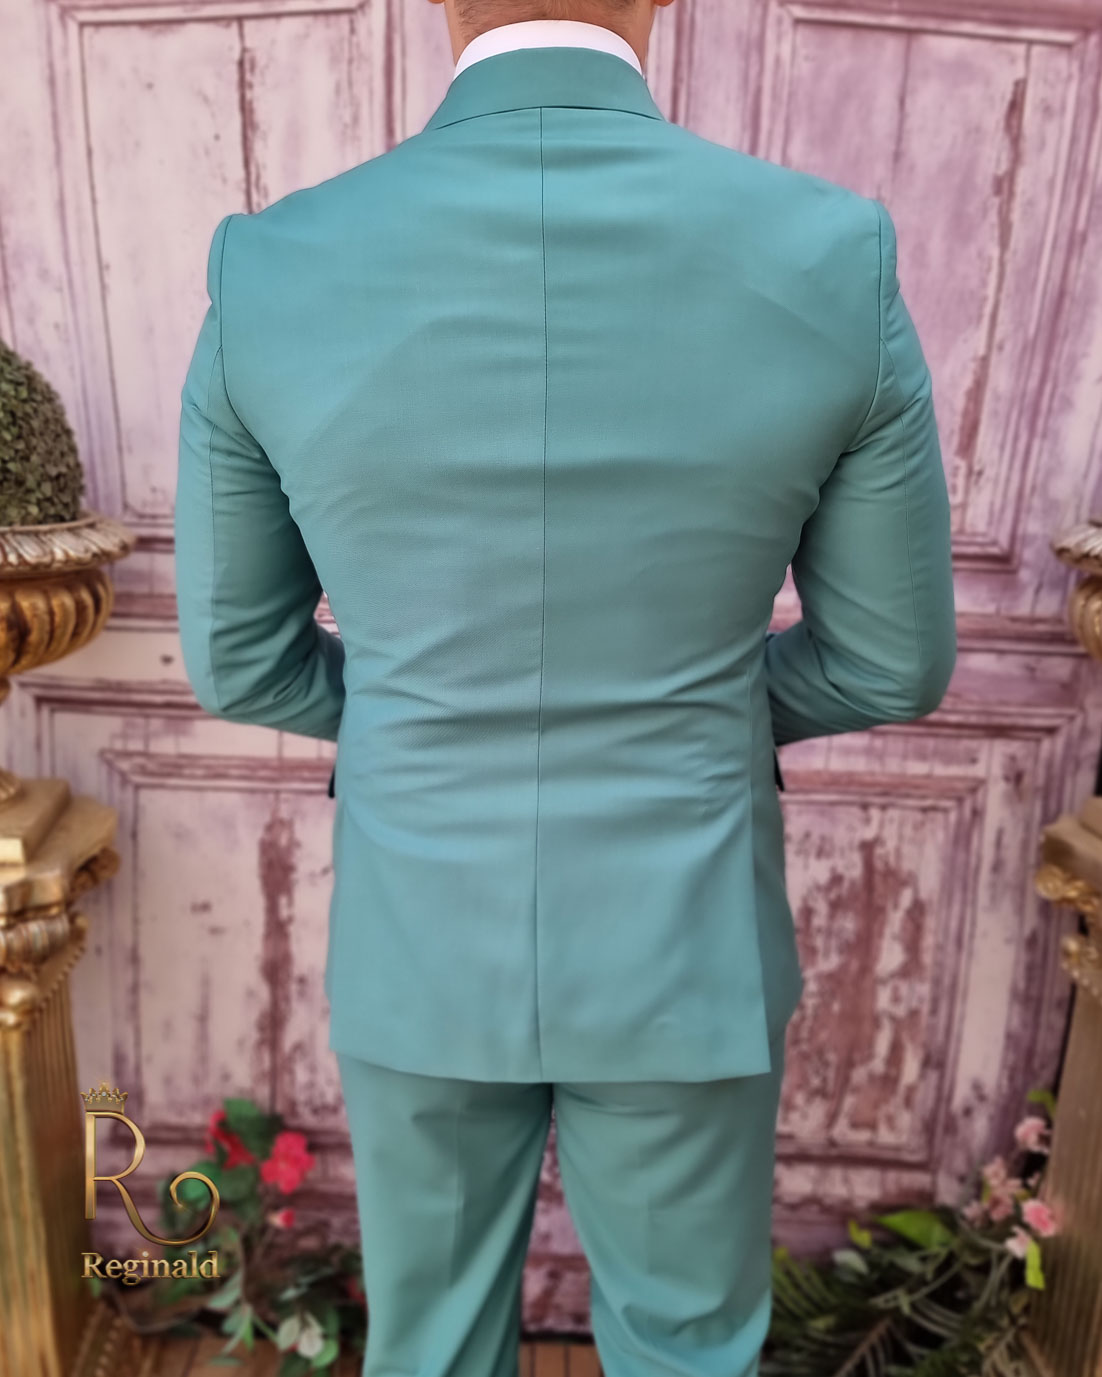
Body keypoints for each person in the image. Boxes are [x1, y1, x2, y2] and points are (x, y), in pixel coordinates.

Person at [173, 1, 957, 1372]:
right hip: (685, 935)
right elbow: (889, 658)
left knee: (428, 1346)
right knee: (687, 1344)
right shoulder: (832, 253)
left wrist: (420, 712)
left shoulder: (272, 265)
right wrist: (696, 715)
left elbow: (241, 656)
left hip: (421, 934)